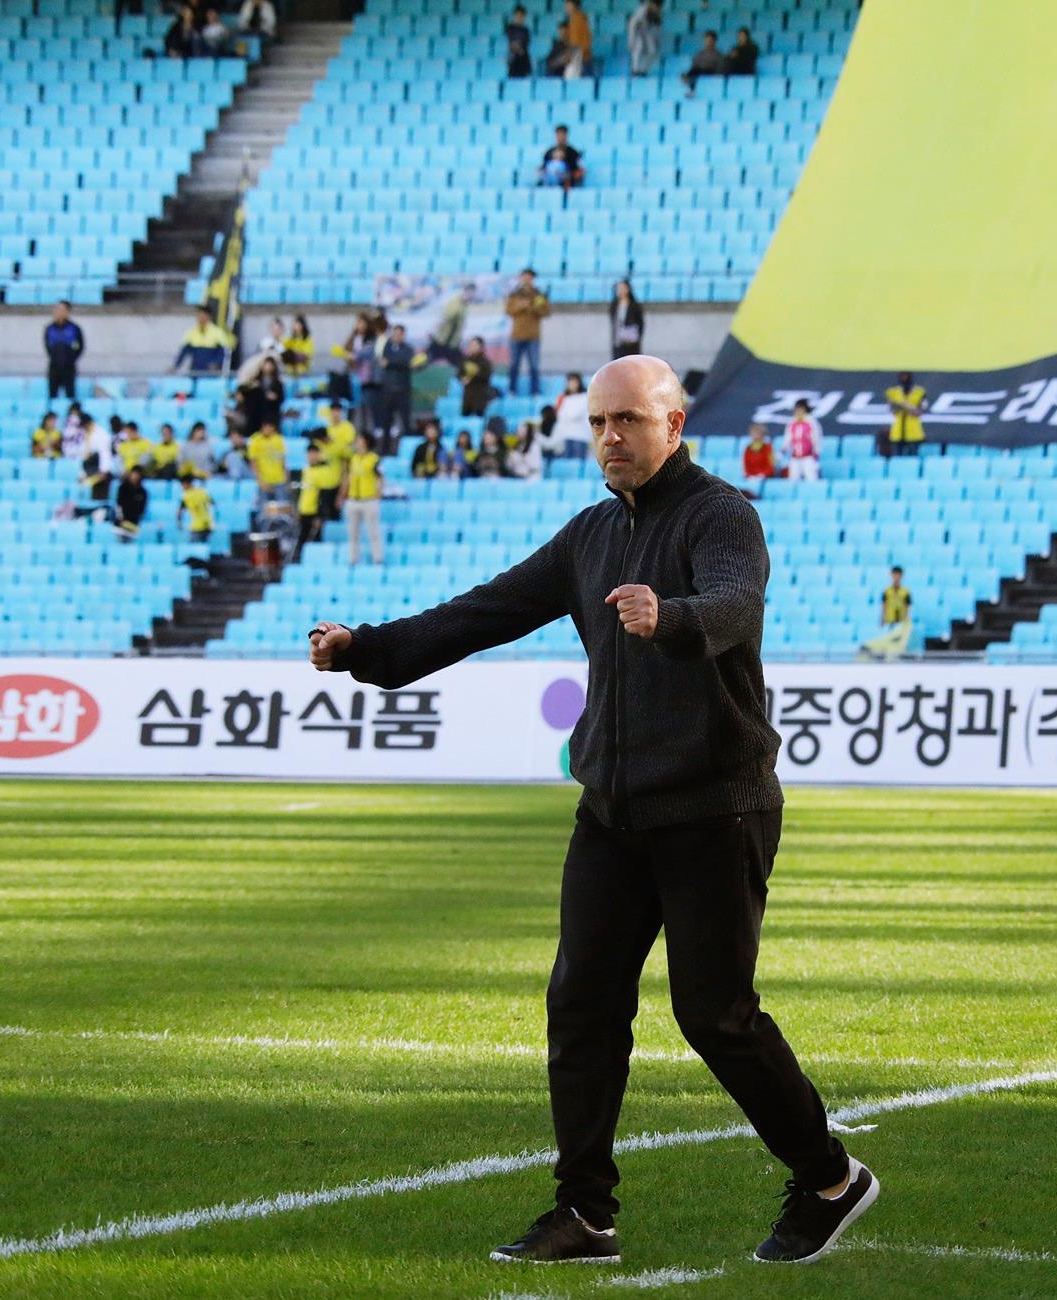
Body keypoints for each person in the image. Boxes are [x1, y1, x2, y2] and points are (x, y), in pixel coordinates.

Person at [306, 355, 877, 1267]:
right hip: (611, 811)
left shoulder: (723, 514)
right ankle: (585, 1214)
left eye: (630, 421)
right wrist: (364, 649)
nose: (611, 437)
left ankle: (830, 1179)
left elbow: (735, 603)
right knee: (581, 1006)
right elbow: (484, 611)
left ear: (675, 425)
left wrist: (673, 616)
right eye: (600, 423)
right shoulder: (588, 536)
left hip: (713, 810)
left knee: (715, 1015)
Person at [375, 324, 420, 453]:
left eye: (399, 334)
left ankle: (409, 449)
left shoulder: (408, 349)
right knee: (386, 422)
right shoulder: (387, 347)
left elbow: (406, 362)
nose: (396, 337)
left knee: (406, 421)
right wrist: (394, 362)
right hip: (388, 391)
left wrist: (391, 363)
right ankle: (385, 450)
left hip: (403, 390)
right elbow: (383, 361)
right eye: (395, 334)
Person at [506, 269, 552, 396]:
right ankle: (512, 390)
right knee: (514, 365)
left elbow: (546, 311)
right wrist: (521, 306)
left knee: (534, 366)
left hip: (533, 336)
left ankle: (535, 391)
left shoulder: (539, 295)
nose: (527, 279)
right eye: (524, 277)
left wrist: (533, 307)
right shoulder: (514, 294)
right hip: (517, 335)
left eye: (529, 277)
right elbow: (508, 310)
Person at [344, 432, 385, 565]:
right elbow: (348, 478)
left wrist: (378, 494)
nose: (357, 443)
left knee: (373, 531)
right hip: (353, 499)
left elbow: (381, 477)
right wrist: (343, 495)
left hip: (369, 499)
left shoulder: (374, 459)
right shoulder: (353, 459)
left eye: (359, 440)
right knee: (352, 533)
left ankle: (377, 559)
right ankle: (353, 559)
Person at [858, 566, 913, 661]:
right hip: (889, 622)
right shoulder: (887, 591)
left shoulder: (906, 592)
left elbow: (907, 607)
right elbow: (884, 606)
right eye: (894, 574)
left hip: (900, 623)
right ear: (891, 575)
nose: (896, 577)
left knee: (894, 646)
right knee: (885, 643)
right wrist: (882, 619)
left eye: (898, 575)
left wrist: (905, 621)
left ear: (901, 576)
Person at [297, 442, 343, 547]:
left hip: (315, 512)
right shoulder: (306, 470)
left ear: (318, 454)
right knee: (302, 540)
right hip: (304, 510)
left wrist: (320, 516)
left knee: (316, 541)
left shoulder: (325, 471)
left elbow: (325, 496)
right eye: (309, 454)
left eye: (314, 454)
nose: (311, 457)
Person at [43, 301, 85, 400]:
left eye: (62, 309)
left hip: (69, 368)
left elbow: (81, 346)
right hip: (54, 367)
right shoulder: (49, 329)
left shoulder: (74, 328)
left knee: (70, 395)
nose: (58, 312)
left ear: (67, 312)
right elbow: (47, 346)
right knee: (52, 396)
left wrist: (71, 358)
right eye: (57, 309)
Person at [174, 307, 234, 374]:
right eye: (198, 316)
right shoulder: (191, 332)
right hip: (195, 370)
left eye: (203, 315)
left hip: (211, 371)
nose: (200, 318)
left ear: (209, 316)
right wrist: (175, 366)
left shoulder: (218, 333)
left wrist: (216, 363)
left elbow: (224, 353)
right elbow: (183, 352)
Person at [237, 356, 287, 436]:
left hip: (271, 411)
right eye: (266, 365)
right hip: (255, 412)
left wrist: (274, 397)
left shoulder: (277, 383)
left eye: (270, 365)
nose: (267, 367)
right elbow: (245, 391)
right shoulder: (255, 380)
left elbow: (281, 398)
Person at [881, 373, 926, 458]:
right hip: (897, 432)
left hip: (914, 432)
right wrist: (899, 405)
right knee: (897, 459)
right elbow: (893, 410)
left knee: (912, 458)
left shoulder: (919, 392)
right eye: (902, 376)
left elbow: (919, 412)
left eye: (906, 376)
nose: (904, 379)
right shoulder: (893, 392)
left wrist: (905, 405)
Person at [247, 420, 290, 505]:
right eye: (266, 427)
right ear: (263, 427)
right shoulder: (255, 440)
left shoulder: (279, 439)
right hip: (263, 480)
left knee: (282, 506)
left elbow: (283, 460)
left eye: (271, 427)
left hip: (279, 479)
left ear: (273, 428)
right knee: (263, 509)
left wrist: (286, 477)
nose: (268, 429)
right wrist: (260, 481)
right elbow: (253, 462)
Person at [551, 372, 592, 459]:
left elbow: (575, 415)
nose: (572, 384)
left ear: (579, 383)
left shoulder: (584, 397)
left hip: (581, 436)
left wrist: (567, 416)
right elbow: (559, 415)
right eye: (570, 382)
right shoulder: (564, 398)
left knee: (578, 463)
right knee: (568, 463)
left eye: (574, 382)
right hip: (567, 435)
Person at [459, 337, 498, 417]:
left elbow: (487, 375)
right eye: (471, 345)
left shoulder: (485, 362)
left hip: (481, 395)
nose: (471, 347)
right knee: (465, 417)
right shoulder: (466, 360)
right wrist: (462, 378)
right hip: (467, 396)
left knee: (479, 417)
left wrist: (474, 374)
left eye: (474, 345)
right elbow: (459, 373)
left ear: (481, 347)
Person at [783, 399, 820, 481]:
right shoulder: (792, 422)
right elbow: (788, 436)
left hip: (808, 456)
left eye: (801, 409)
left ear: (805, 409)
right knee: (793, 479)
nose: (798, 411)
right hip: (795, 457)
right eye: (797, 409)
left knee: (811, 479)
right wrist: (784, 448)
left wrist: (816, 452)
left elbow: (816, 438)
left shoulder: (812, 422)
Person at [539, 125, 586, 190]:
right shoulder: (549, 152)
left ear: (566, 135)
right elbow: (543, 168)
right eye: (558, 135)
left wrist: (567, 175)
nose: (560, 137)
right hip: (551, 181)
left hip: (568, 183)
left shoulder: (573, 152)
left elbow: (579, 171)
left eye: (562, 135)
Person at [555, 0, 592, 77]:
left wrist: (567, 57)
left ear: (574, 6)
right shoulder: (580, 18)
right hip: (584, 57)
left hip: (580, 59)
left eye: (568, 5)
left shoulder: (576, 19)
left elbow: (575, 44)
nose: (566, 7)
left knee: (577, 85)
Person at [609, 280, 644, 359]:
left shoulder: (634, 305)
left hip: (631, 343)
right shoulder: (614, 305)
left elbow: (640, 323)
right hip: (618, 341)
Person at [626, 0, 661, 75]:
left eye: (657, 7)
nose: (656, 8)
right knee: (638, 47)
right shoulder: (642, 9)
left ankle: (644, 70)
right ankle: (635, 69)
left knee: (653, 51)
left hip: (648, 32)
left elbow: (657, 29)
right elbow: (632, 24)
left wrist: (656, 41)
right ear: (651, 4)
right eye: (654, 6)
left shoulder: (657, 13)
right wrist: (631, 40)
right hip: (637, 30)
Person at [741, 424, 776, 498]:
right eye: (753, 433)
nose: (755, 435)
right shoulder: (747, 448)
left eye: (757, 433)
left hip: (764, 479)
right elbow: (746, 465)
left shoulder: (768, 447)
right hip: (751, 478)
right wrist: (750, 476)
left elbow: (771, 466)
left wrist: (762, 475)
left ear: (762, 435)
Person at [116, 465, 149, 538]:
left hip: (134, 523)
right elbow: (119, 504)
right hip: (121, 522)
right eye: (134, 474)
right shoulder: (123, 488)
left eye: (137, 474)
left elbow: (142, 510)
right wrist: (122, 519)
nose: (135, 476)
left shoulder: (143, 492)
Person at [504, 4, 532, 77]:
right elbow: (512, 43)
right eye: (517, 15)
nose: (519, 17)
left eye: (521, 15)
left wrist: (520, 49)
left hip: (523, 60)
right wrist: (518, 48)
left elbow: (526, 45)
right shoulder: (509, 28)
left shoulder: (526, 30)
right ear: (514, 15)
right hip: (513, 59)